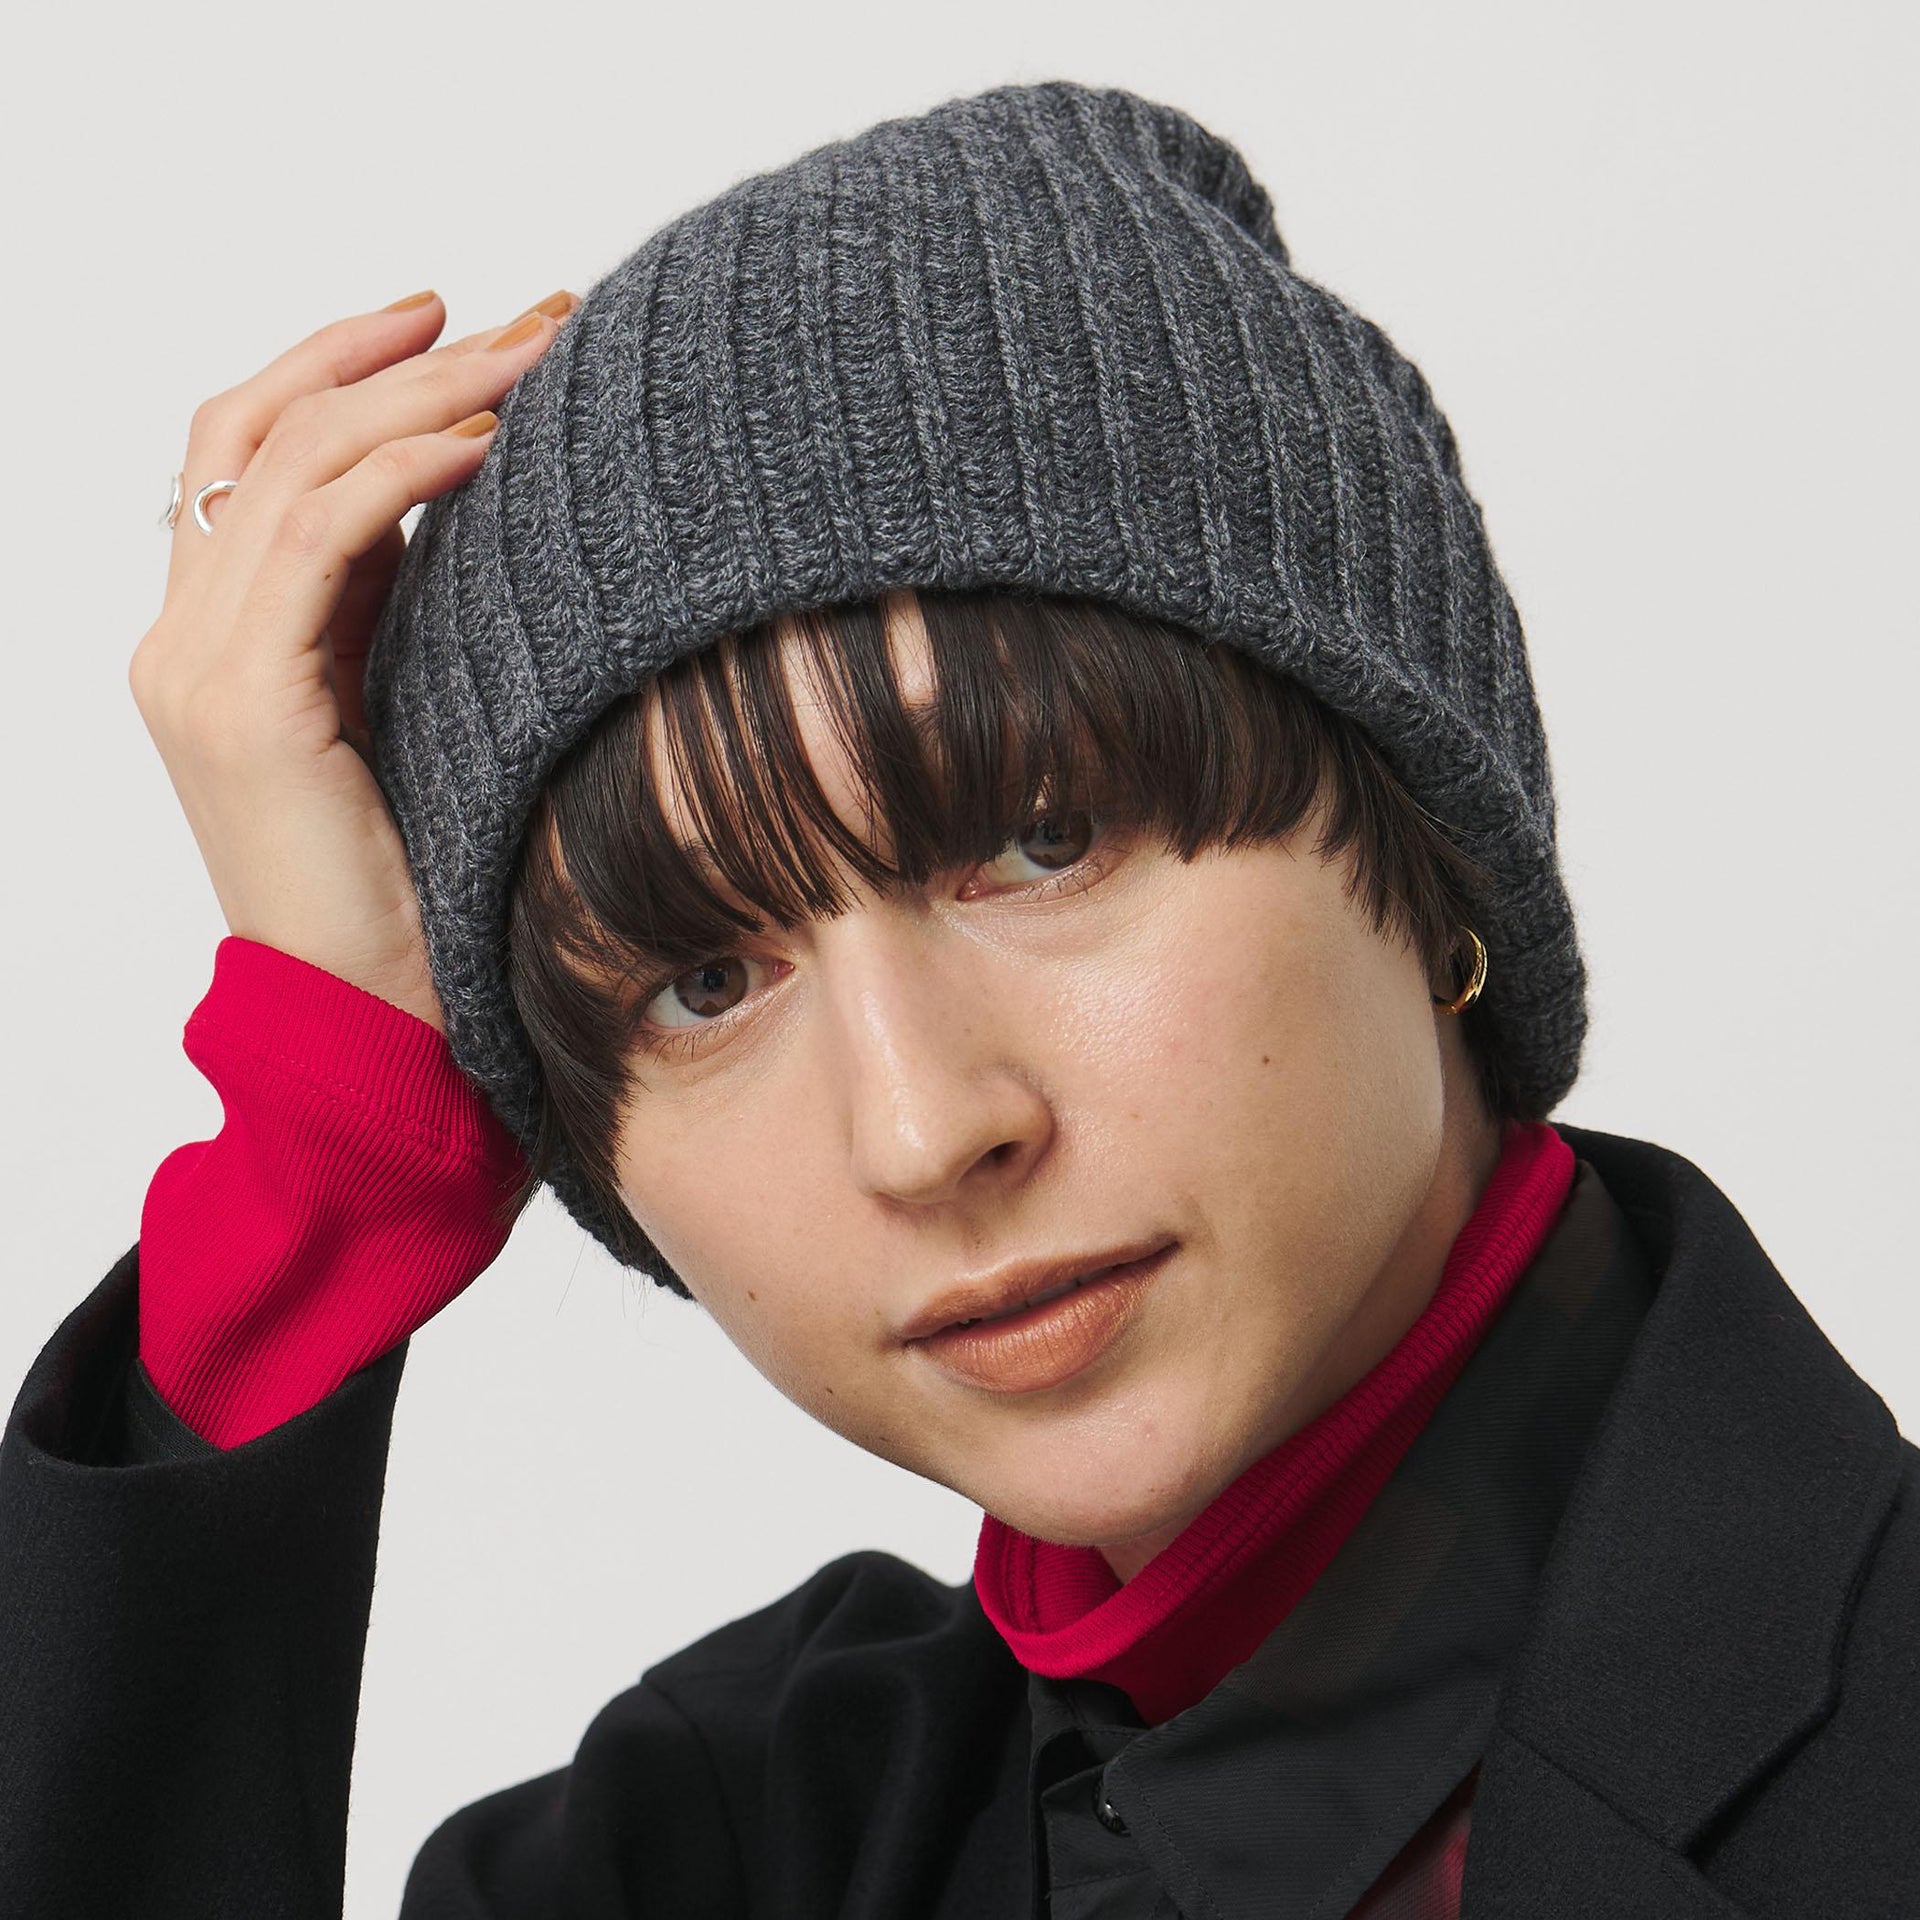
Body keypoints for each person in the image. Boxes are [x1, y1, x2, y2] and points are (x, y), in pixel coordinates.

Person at [2, 77, 1914, 1920]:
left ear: (1423, 844)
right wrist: (327, 1173)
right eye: (705, 981)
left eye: (1044, 842)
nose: (924, 1129)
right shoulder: (718, 1849)